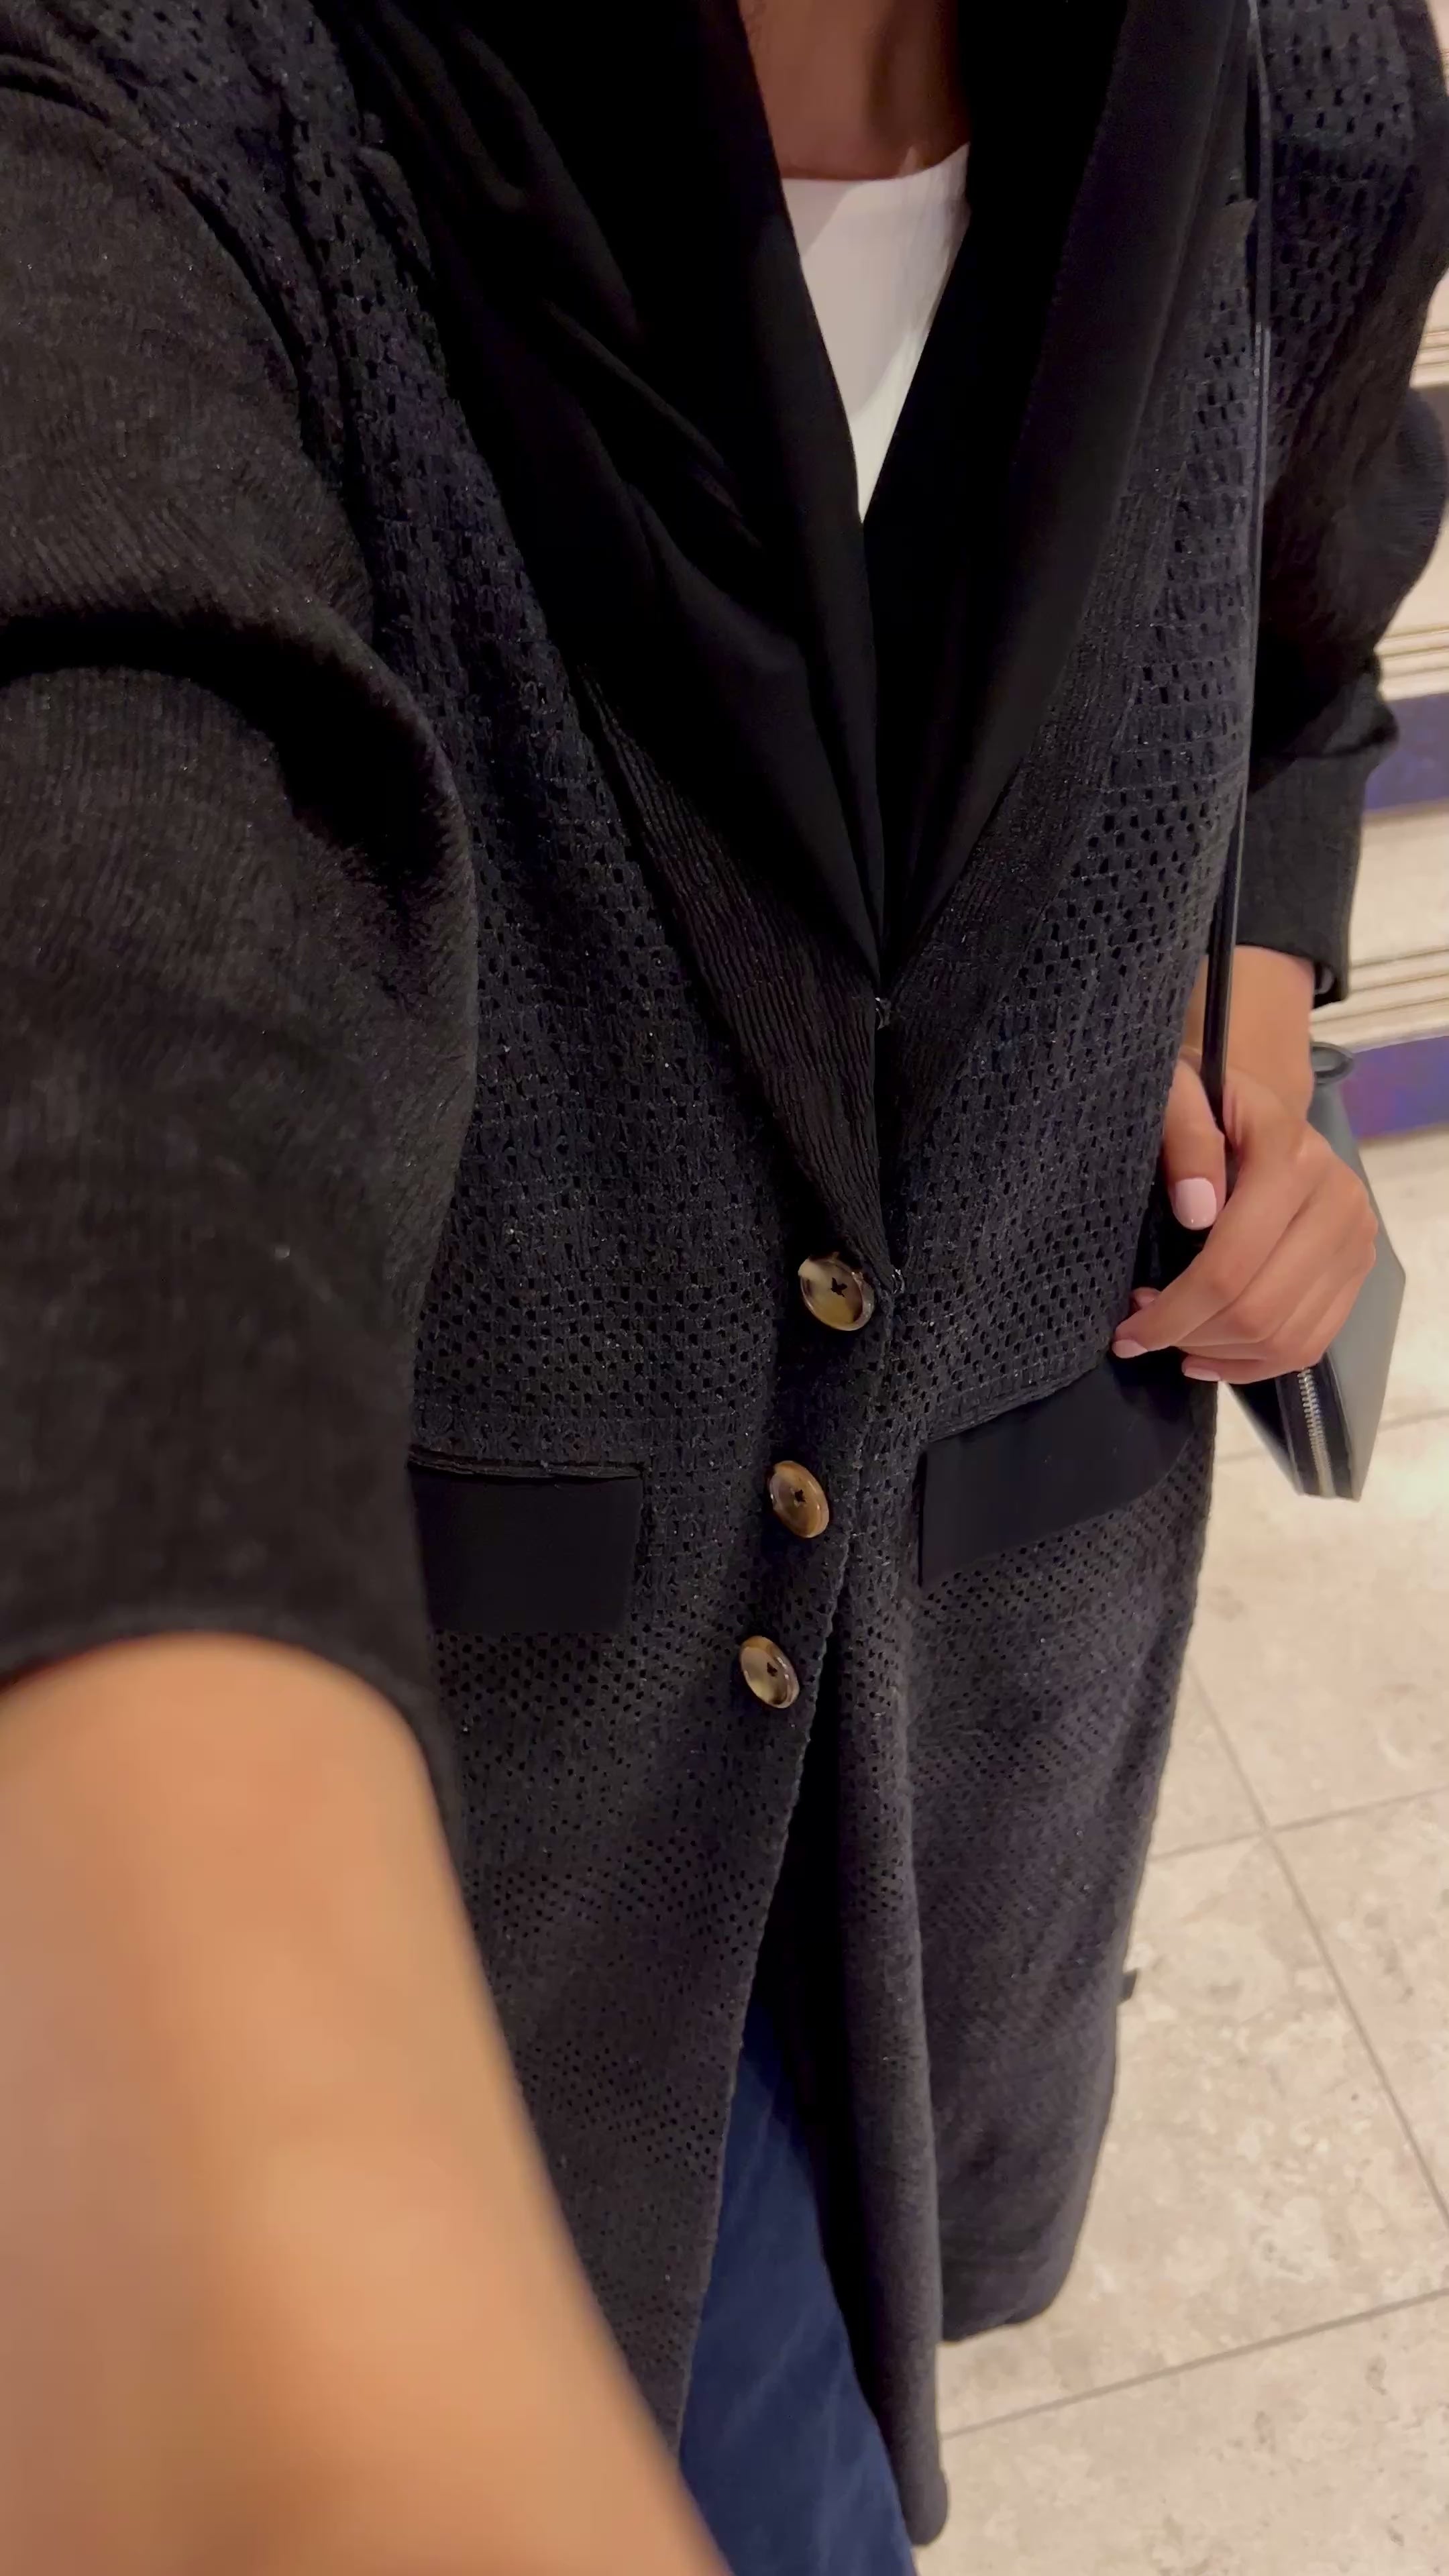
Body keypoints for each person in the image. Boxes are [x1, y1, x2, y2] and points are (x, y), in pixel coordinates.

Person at [1, 0, 1446, 2568]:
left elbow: (1294, 640)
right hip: (479, 1765)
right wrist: (246, 2183)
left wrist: (1257, 986)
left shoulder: (1302, 90)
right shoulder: (171, 114)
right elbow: (123, 968)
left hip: (966, 1695)